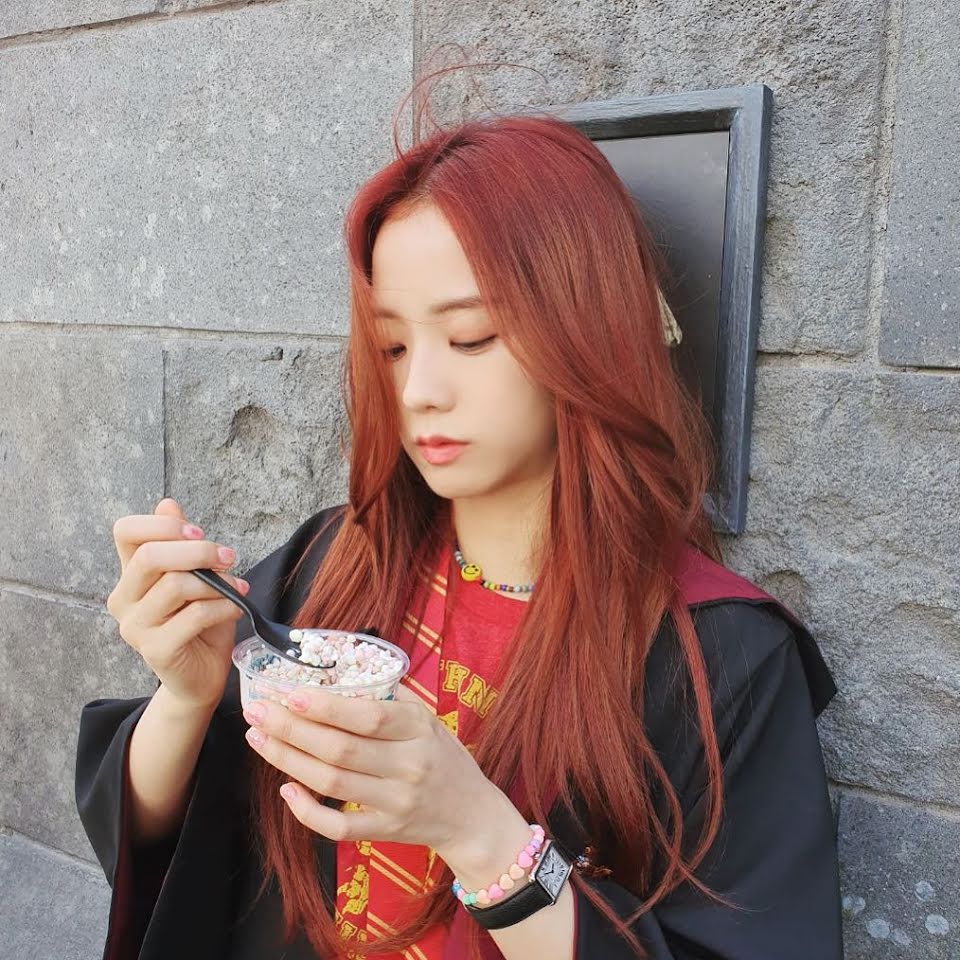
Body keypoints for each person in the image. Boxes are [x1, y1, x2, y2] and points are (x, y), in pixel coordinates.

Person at [75, 103, 843, 960]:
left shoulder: (716, 657)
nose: (420, 393)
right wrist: (185, 698)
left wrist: (478, 832)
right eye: (393, 348)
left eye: (471, 337)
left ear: (588, 329)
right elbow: (178, 848)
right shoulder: (333, 563)